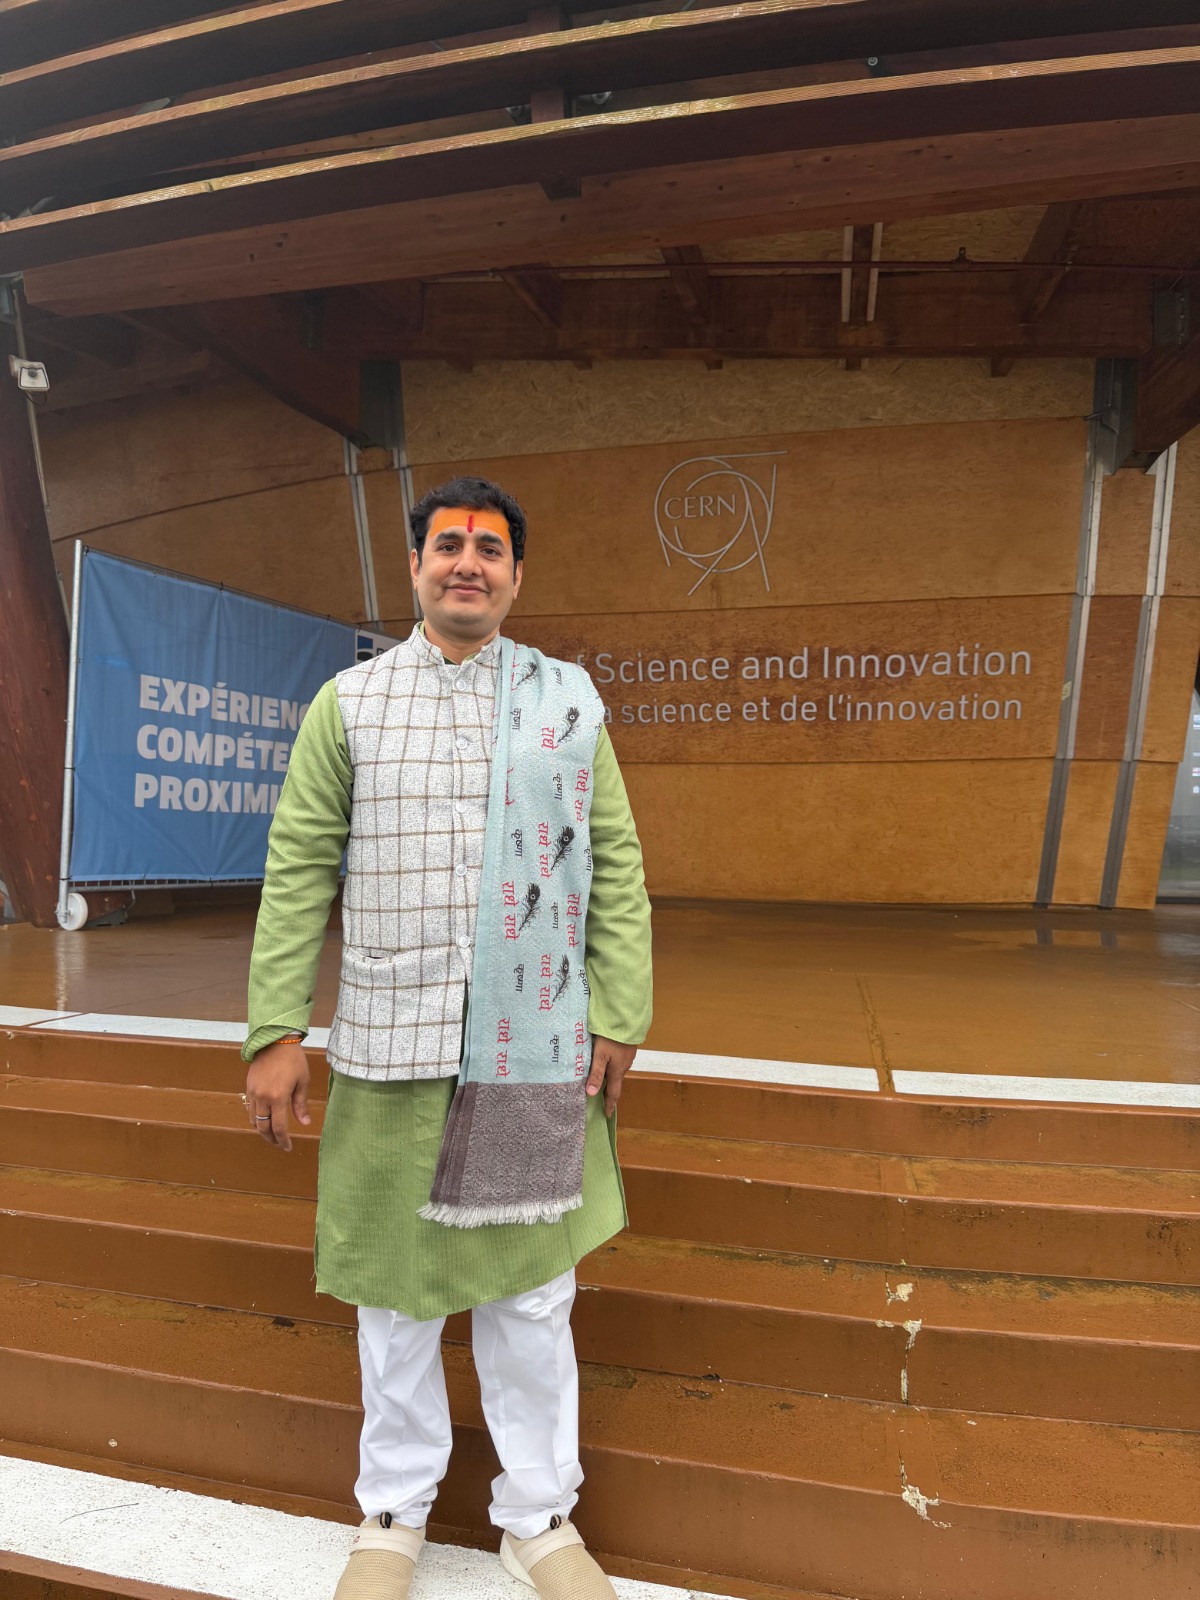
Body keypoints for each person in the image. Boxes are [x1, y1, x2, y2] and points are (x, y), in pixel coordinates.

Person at [241, 474, 652, 1600]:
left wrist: (620, 1009)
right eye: (449, 544)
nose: (468, 562)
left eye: (490, 548)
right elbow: (298, 865)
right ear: (416, 566)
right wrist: (276, 1027)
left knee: (531, 1297)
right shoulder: (350, 704)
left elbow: (614, 860)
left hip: (533, 1044)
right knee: (395, 1294)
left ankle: (539, 1518)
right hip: (390, 1039)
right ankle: (392, 1511)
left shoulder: (567, 702)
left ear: (516, 575)